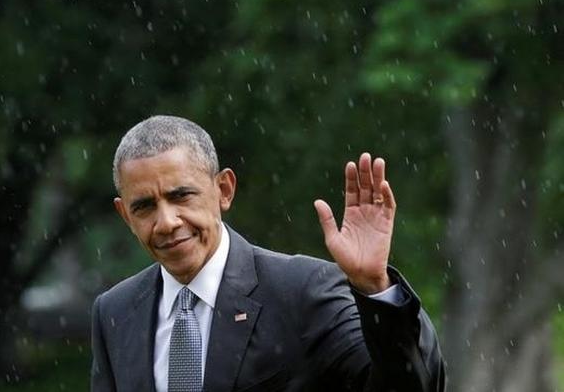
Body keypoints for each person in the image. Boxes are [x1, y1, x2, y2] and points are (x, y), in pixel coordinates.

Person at [91, 115, 445, 392]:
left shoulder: (303, 291)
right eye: (145, 207)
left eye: (181, 196)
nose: (166, 222)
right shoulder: (115, 311)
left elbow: (408, 387)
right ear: (125, 215)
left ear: (224, 190)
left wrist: (374, 288)